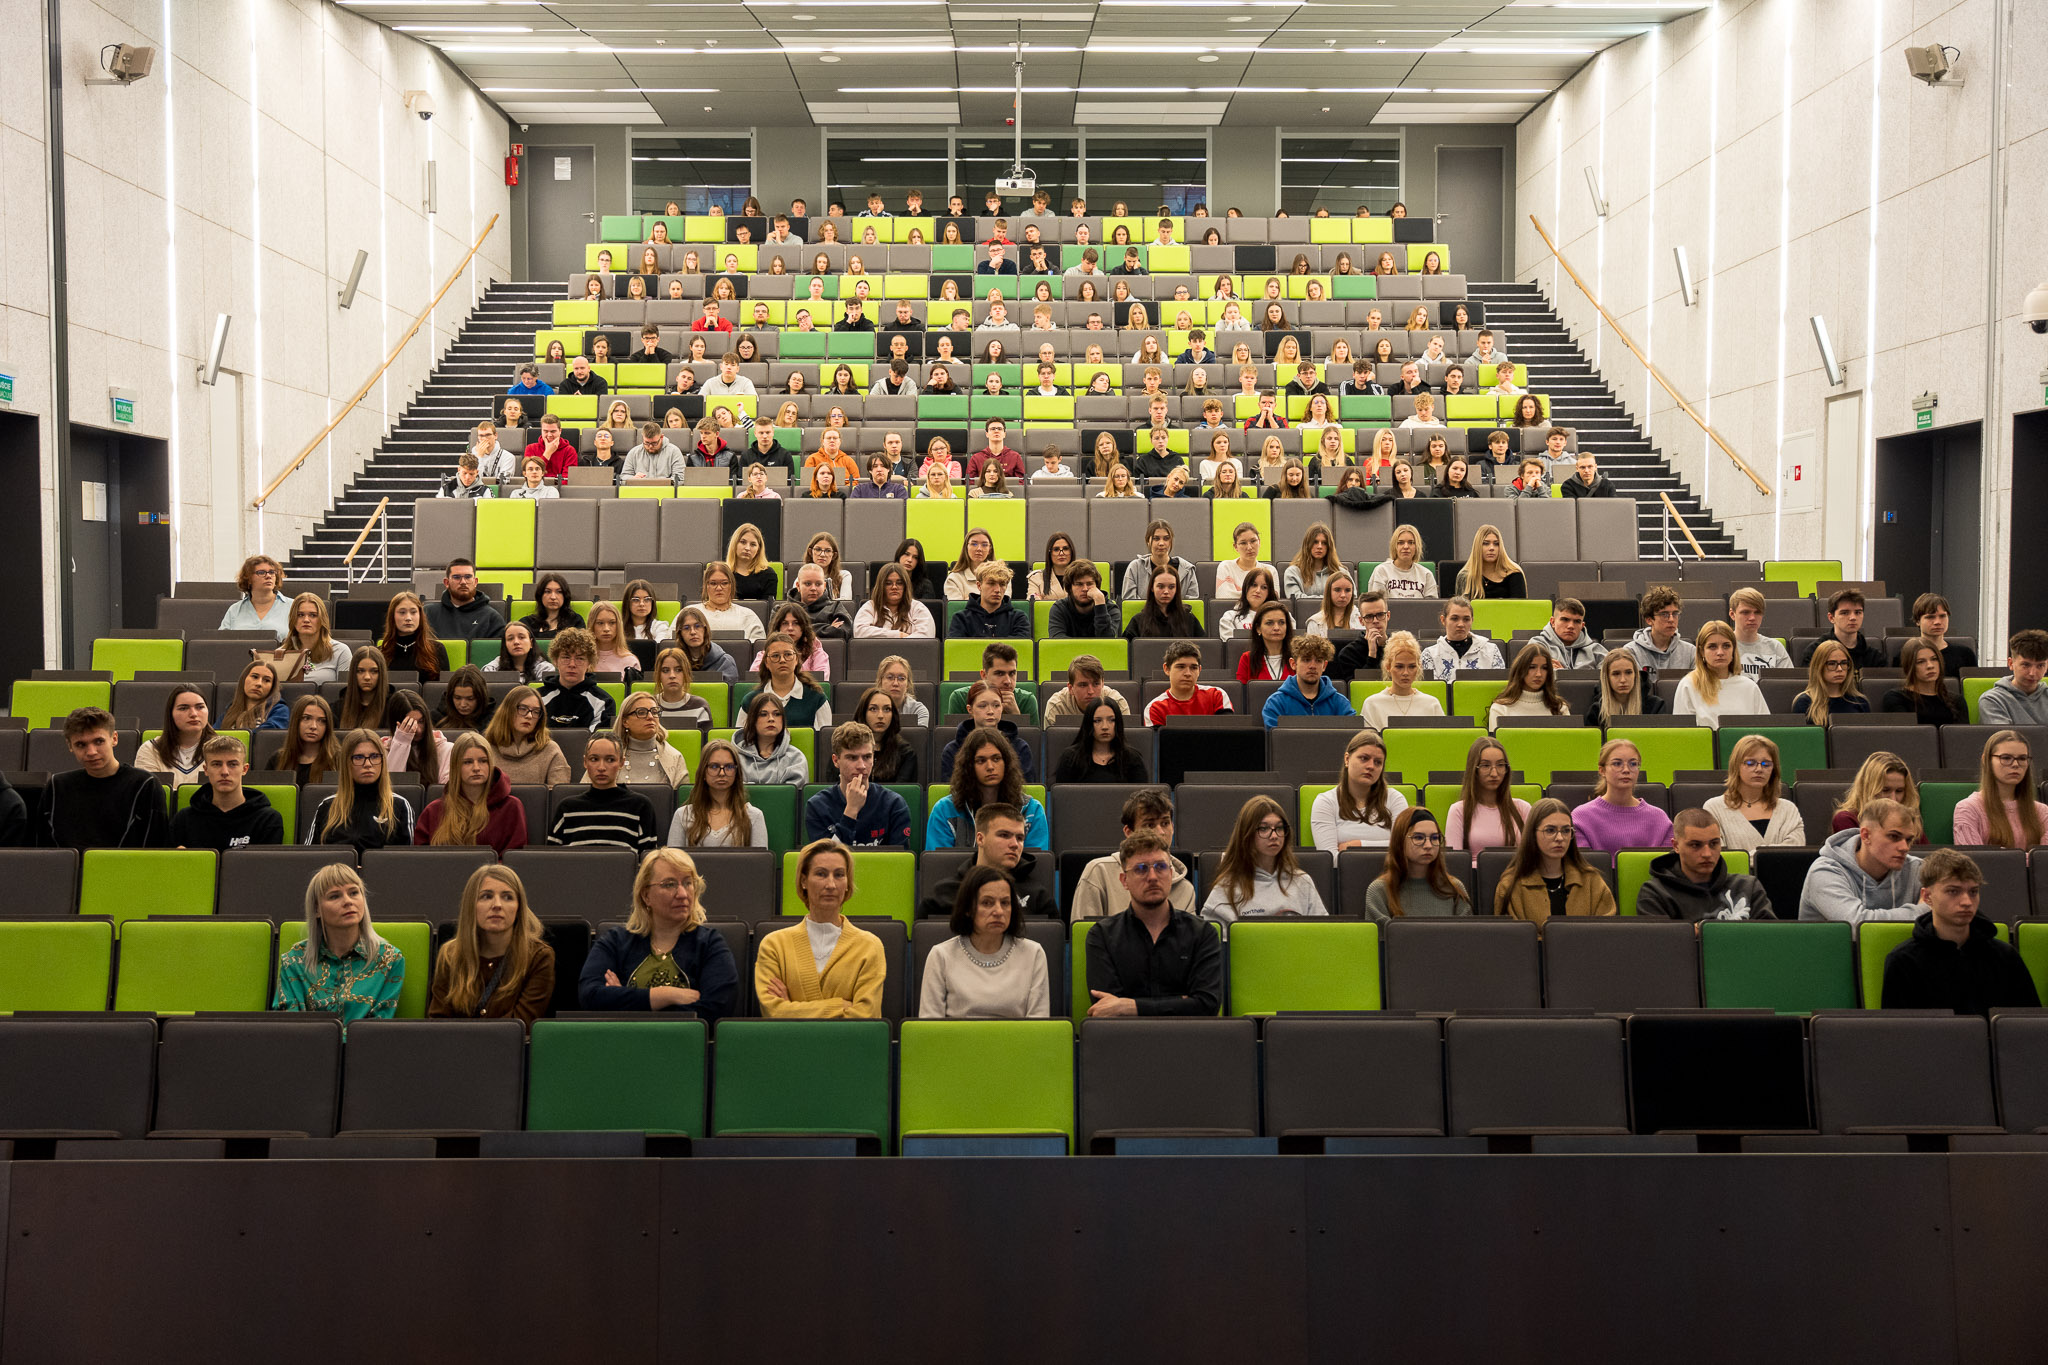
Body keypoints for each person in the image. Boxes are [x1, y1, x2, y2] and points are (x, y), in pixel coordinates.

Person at [578, 849, 739, 1021]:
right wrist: (666, 995)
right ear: (646, 895)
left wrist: (623, 1002)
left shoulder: (710, 943)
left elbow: (716, 1009)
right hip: (624, 1044)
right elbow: (590, 996)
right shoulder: (615, 941)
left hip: (686, 1045)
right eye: (669, 884)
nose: (683, 894)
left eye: (687, 883)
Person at [1881, 849, 2041, 1014]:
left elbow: (2029, 1025)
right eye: (1953, 891)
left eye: (1973, 892)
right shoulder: (1904, 961)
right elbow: (1899, 1034)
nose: (1966, 902)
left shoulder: (2005, 956)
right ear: (1927, 896)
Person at [1086, 831, 1224, 1015]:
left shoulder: (1202, 933)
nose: (1152, 877)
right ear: (1124, 880)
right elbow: (1107, 1010)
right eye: (1141, 868)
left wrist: (1130, 1006)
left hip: (1188, 1040)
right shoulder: (1101, 936)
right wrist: (1182, 1003)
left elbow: (1207, 1005)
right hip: (1125, 1041)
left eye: (1160, 867)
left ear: (1171, 873)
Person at [755, 840, 887, 1018]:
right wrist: (840, 1006)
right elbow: (773, 1011)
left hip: (849, 1046)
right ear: (803, 881)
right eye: (821, 874)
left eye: (839, 875)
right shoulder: (774, 945)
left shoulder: (870, 946)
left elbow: (866, 1016)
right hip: (789, 1045)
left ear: (848, 882)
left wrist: (792, 1009)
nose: (831, 885)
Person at [918, 865, 1051, 1020]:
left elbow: (1039, 1029)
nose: (998, 911)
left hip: (1017, 1044)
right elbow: (929, 1029)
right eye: (987, 903)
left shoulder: (1033, 954)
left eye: (1005, 903)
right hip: (956, 1043)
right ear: (968, 908)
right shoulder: (941, 956)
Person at [273, 864, 403, 1022]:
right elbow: (290, 1026)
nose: (348, 901)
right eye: (334, 896)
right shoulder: (294, 962)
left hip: (366, 1046)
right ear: (316, 910)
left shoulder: (389, 959)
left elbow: (378, 1028)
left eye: (354, 892)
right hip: (307, 1046)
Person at [428, 864, 556, 1024]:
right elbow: (438, 1022)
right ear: (471, 905)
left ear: (519, 908)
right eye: (486, 896)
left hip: (511, 1048)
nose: (497, 905)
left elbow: (520, 1026)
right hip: (456, 1047)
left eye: (508, 897)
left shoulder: (538, 957)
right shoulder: (450, 955)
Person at [42, 706, 171, 849]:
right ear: (70, 746)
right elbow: (44, 850)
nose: (91, 752)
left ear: (114, 738)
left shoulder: (145, 785)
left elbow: (155, 848)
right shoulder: (56, 786)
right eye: (81, 744)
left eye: (98, 741)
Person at [917, 801, 1057, 921]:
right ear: (980, 839)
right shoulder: (943, 895)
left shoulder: (1039, 898)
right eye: (1004, 835)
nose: (1015, 844)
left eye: (1020, 838)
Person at [1634, 808, 1777, 921]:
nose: (1707, 853)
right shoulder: (1655, 894)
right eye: (1696, 845)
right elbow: (1660, 948)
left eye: (1714, 843)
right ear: (1676, 845)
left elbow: (1769, 940)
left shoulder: (1748, 887)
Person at [1201, 795, 1328, 923]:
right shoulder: (1228, 887)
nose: (1274, 836)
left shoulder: (1302, 882)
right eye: (1263, 828)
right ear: (1247, 834)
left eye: (1279, 828)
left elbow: (1323, 933)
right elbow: (1214, 938)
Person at [1798, 797, 1925, 923]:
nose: (1904, 847)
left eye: (1908, 840)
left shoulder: (1917, 869)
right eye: (1893, 836)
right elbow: (1859, 926)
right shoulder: (1825, 872)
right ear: (1866, 835)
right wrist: (1921, 911)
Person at [1494, 798, 1618, 924]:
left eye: (1566, 830)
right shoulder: (1510, 886)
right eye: (1550, 830)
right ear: (1532, 834)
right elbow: (1511, 938)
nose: (1560, 838)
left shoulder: (1591, 881)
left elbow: (1606, 932)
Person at [804, 721, 913, 848]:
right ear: (836, 760)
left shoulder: (894, 804)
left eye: (867, 757)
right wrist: (851, 811)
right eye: (852, 758)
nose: (861, 766)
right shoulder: (817, 806)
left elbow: (899, 862)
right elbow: (826, 861)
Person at [545, 734, 660, 853]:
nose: (601, 767)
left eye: (610, 760)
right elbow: (553, 861)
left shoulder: (640, 806)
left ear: (621, 762)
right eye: (594, 759)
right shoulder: (567, 808)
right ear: (585, 762)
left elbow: (647, 862)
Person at [415, 733, 527, 854]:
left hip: (493, 873)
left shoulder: (511, 806)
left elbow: (515, 858)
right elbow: (423, 860)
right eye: (468, 762)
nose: (476, 768)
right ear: (455, 767)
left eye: (483, 761)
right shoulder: (434, 811)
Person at [306, 728, 415, 851]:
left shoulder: (399, 806)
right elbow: (311, 858)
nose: (368, 764)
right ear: (347, 763)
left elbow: (406, 862)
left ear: (383, 761)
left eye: (374, 756)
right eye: (358, 757)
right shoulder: (327, 806)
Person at [169, 735, 284, 851]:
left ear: (244, 769)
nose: (224, 772)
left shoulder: (267, 819)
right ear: (206, 770)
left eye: (232, 764)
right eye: (216, 764)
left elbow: (265, 867)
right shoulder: (183, 820)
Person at [1363, 808, 1471, 922]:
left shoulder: (1454, 888)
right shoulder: (1379, 891)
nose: (1428, 845)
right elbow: (1382, 938)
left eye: (1435, 838)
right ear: (1400, 842)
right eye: (1418, 837)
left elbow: (1465, 937)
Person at [1310, 728, 1408, 852]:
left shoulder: (1395, 799)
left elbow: (1403, 849)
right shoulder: (1326, 802)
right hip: (1344, 871)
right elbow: (1330, 860)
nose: (1371, 766)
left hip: (1389, 871)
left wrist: (1358, 845)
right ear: (1347, 759)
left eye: (1378, 762)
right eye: (1364, 758)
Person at [1705, 734, 1806, 851]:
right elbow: (1720, 856)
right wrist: (1766, 856)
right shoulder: (1714, 808)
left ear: (1773, 770)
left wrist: (1747, 856)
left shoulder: (1788, 809)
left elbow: (1795, 852)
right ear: (1736, 767)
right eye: (1750, 763)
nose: (1759, 769)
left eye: (1766, 764)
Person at [1570, 739, 1673, 852]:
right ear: (1602, 770)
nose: (1626, 770)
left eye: (1633, 764)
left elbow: (1665, 866)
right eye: (1617, 764)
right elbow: (1583, 866)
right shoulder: (1581, 817)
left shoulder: (1659, 818)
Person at [1445, 736, 1530, 869]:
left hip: (1515, 882)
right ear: (1474, 769)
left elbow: (1532, 858)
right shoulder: (1458, 810)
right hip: (1475, 883)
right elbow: (1456, 865)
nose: (1494, 773)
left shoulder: (1523, 808)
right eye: (1485, 765)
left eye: (1500, 765)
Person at [1954, 729, 2048, 847]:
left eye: (2022, 758)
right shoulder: (1968, 809)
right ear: (1986, 760)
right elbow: (1975, 860)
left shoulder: (2042, 811)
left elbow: (2043, 860)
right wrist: (2028, 857)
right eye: (2006, 758)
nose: (2015, 764)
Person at [1673, 621, 1769, 729]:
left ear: (1733, 650)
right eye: (1712, 647)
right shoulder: (1688, 685)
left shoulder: (1749, 687)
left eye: (1726, 646)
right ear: (1701, 651)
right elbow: (1684, 734)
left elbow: (1764, 731)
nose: (1720, 652)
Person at [938, 681, 1038, 781]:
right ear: (970, 709)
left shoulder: (1020, 747)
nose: (990, 711)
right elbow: (952, 790)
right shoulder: (953, 750)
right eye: (982, 706)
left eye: (996, 705)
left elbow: (1026, 788)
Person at [133, 686, 215, 789]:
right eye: (183, 708)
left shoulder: (224, 749)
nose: (194, 714)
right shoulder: (150, 750)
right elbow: (149, 795)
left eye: (200, 707)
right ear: (171, 714)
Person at [537, 628, 617, 731]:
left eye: (580, 658)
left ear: (589, 663)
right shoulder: (537, 698)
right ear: (555, 661)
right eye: (566, 657)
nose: (572, 664)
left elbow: (597, 742)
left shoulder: (603, 702)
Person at [1360, 632, 1445, 729]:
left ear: (1419, 667)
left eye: (1412, 666)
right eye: (1399, 667)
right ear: (1388, 667)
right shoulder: (1372, 704)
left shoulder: (1432, 704)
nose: (1405, 673)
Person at [1263, 635, 1355, 723]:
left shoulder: (1340, 702)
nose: (1312, 666)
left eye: (1318, 660)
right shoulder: (1276, 703)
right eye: (1306, 660)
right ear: (1293, 664)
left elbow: (1352, 735)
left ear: (1324, 666)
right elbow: (1275, 738)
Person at [1795, 589, 1888, 676]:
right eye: (1845, 613)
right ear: (1831, 617)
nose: (1853, 617)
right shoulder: (1814, 652)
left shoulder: (1874, 657)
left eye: (1858, 612)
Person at [1881, 637, 1969, 725]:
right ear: (1909, 667)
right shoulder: (1896, 698)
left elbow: (1962, 736)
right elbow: (1904, 735)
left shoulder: (1957, 701)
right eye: (1921, 662)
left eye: (1934, 659)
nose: (1930, 666)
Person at [1143, 640, 1233, 723]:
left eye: (1193, 668)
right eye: (1181, 667)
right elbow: (1157, 740)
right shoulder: (1155, 708)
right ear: (1166, 669)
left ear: (1199, 670)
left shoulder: (1217, 695)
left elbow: (1228, 735)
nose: (1188, 673)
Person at [1832, 751, 1920, 835]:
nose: (1893, 799)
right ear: (1867, 789)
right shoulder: (1846, 819)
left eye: (1899, 791)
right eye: (1885, 790)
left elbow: (1925, 850)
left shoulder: (1909, 820)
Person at [1623, 586, 1695, 687]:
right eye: (1664, 614)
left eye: (1675, 614)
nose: (1671, 619)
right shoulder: (1631, 652)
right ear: (1649, 619)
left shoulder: (1691, 652)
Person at [1420, 597, 1505, 681]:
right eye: (1454, 618)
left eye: (1466, 619)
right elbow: (1430, 691)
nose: (1461, 624)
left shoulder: (1491, 651)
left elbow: (1499, 688)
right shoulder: (1429, 655)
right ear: (1443, 620)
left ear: (1472, 620)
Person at [1975, 630, 2048, 726]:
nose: (2032, 673)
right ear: (2011, 663)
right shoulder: (1992, 700)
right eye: (2025, 665)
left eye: (2040, 666)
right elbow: (2006, 739)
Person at [1119, 519, 1200, 602]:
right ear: (1148, 541)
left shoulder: (1187, 570)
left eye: (1166, 538)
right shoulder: (1135, 568)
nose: (1161, 543)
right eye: (1156, 538)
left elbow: (1192, 605)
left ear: (1171, 542)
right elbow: (1129, 603)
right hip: (1144, 614)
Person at [1794, 640, 1870, 725]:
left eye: (1844, 663)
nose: (1840, 669)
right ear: (1819, 667)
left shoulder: (1860, 701)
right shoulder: (1805, 703)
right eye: (1832, 664)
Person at [379, 590, 449, 680]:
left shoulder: (437, 650)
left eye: (413, 612)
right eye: (402, 612)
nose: (408, 618)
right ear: (392, 616)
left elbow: (443, 689)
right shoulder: (381, 653)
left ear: (420, 615)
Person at [950, 562, 1031, 638]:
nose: (997, 590)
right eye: (991, 583)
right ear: (979, 585)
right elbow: (957, 650)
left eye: (1002, 584)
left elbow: (1020, 649)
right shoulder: (961, 618)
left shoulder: (1019, 618)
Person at [1124, 563, 1204, 641]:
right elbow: (1127, 652)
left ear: (1177, 589)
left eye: (1171, 587)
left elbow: (1205, 649)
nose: (1166, 591)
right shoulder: (1138, 621)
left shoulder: (1189, 620)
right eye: (1161, 586)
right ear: (1152, 588)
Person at [272, 695, 340, 787]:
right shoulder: (278, 759)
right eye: (307, 718)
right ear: (296, 722)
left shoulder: (338, 760)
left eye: (322, 721)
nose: (313, 726)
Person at [1584, 648, 1663, 726]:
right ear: (1607, 678)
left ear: (1636, 675)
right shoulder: (1596, 711)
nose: (1623, 680)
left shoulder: (1656, 706)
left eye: (1628, 672)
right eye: (1616, 674)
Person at [219, 555, 291, 639]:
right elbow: (222, 641)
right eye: (261, 572)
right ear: (249, 579)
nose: (268, 576)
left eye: (272, 572)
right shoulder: (235, 610)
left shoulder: (292, 606)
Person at [1911, 592, 1979, 678]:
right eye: (1930, 617)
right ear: (1918, 621)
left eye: (1942, 616)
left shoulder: (1965, 654)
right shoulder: (1907, 654)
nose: (1937, 622)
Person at [1729, 586, 1793, 676]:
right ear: (1732, 614)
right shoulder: (1724, 647)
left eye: (1757, 612)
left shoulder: (1775, 647)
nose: (1752, 618)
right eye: (1745, 612)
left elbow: (1787, 684)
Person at [1047, 563, 1120, 639]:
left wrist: (1100, 604)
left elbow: (1107, 642)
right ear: (1070, 588)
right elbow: (1057, 642)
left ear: (1097, 587)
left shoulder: (1111, 609)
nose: (1085, 589)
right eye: (1079, 584)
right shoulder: (1059, 609)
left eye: (1089, 584)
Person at [1534, 597, 1608, 671]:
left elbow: (1609, 678)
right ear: (1553, 622)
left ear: (1582, 626)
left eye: (1577, 621)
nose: (1571, 626)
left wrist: (1563, 674)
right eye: (1565, 619)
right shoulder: (1538, 645)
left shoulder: (1596, 650)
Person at [1366, 524, 1438, 600]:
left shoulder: (1426, 574)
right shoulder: (1381, 571)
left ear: (1416, 547)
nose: (1406, 547)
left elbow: (1431, 607)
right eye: (1401, 543)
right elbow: (1376, 605)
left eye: (1411, 542)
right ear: (1394, 546)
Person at [1214, 521, 1277, 601]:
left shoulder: (1270, 571)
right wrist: (1259, 595)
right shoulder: (1226, 567)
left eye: (1253, 541)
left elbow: (1272, 600)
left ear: (1259, 542)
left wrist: (1239, 593)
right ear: (1236, 546)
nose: (1249, 547)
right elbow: (1224, 598)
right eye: (1243, 543)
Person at [521, 572, 585, 644]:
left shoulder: (576, 622)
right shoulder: (526, 623)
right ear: (540, 595)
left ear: (565, 595)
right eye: (547, 591)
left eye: (559, 592)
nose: (553, 597)